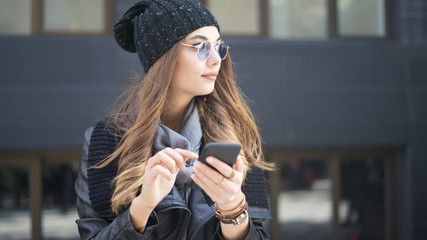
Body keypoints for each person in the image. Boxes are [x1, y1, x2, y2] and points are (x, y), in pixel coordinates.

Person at [75, 0, 273, 239]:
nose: (215, 59)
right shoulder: (106, 142)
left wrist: (233, 207)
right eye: (201, 47)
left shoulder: (235, 138)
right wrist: (143, 206)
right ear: (163, 57)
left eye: (219, 47)